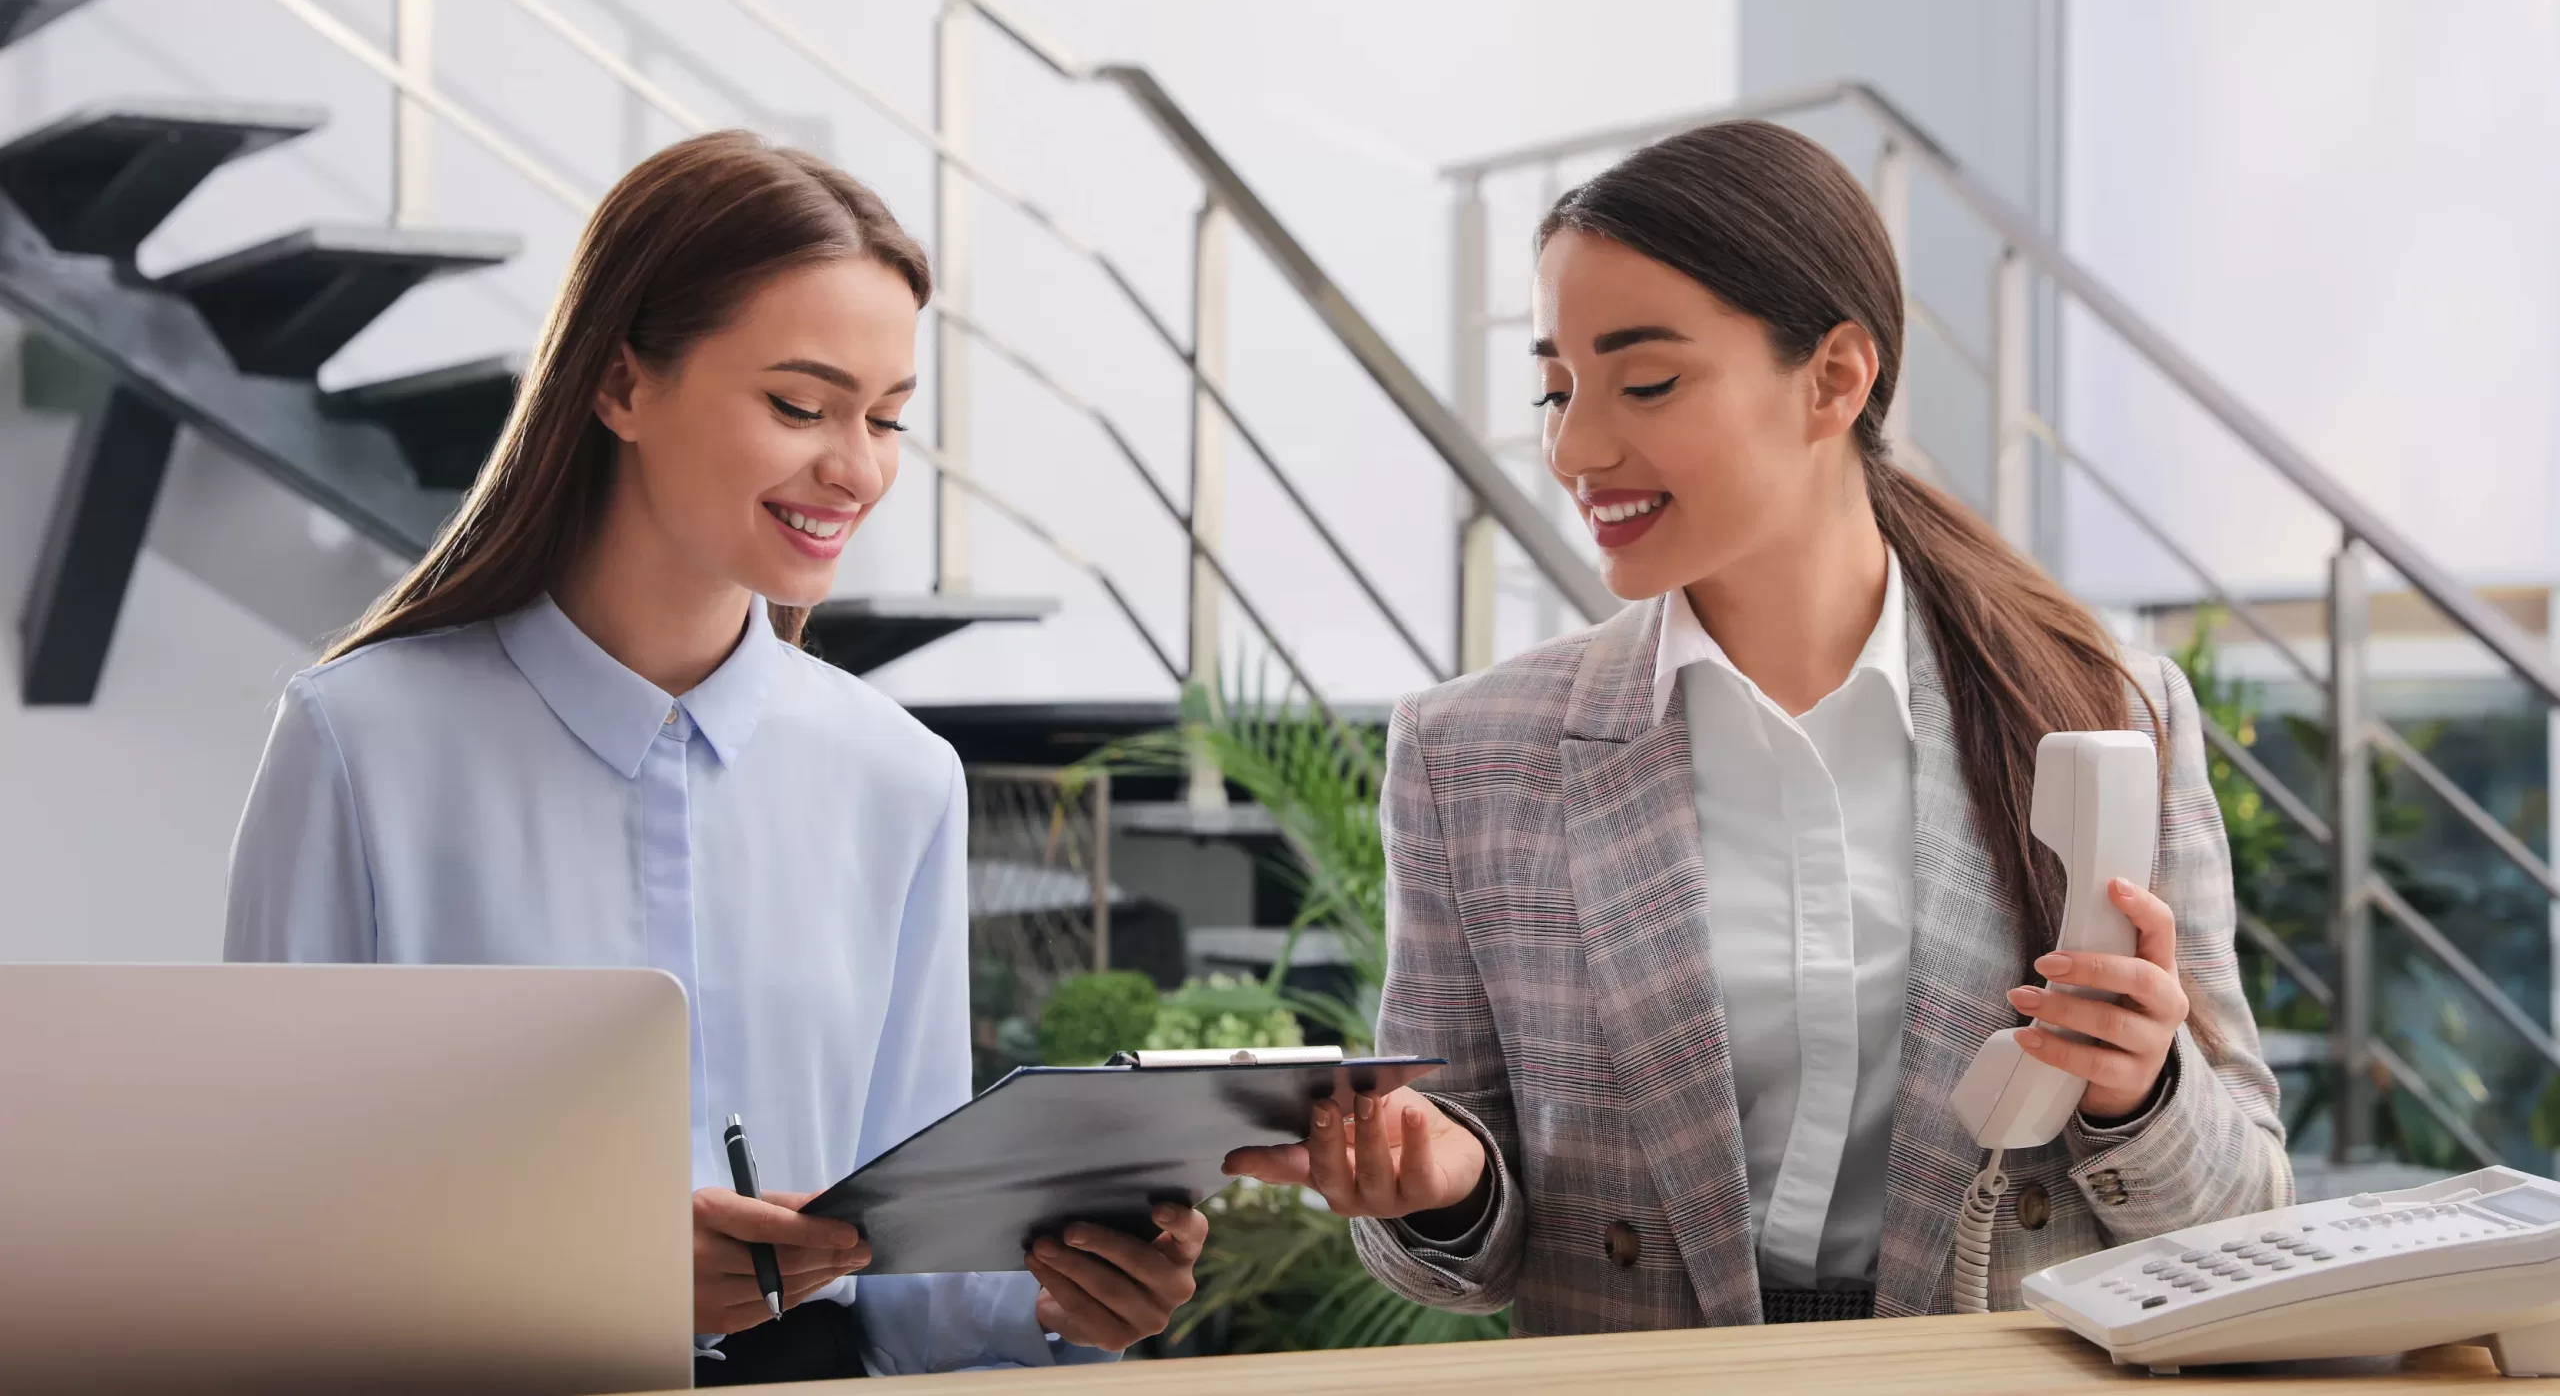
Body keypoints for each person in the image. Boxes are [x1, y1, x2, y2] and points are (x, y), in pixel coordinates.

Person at [1226, 120, 2289, 1330]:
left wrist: (2141, 1092)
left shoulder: (2105, 711)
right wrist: (1439, 1188)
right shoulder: (1470, 756)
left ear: (1836, 377)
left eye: (1644, 383)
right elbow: (1447, 1249)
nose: (1574, 447)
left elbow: (2247, 1205)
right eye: (1555, 389)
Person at [225, 131, 1203, 1380]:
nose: (854, 469)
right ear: (622, 386)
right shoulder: (358, 742)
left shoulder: (898, 776)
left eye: (888, 418)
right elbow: (265, 1219)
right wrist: (593, 1269)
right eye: (799, 405)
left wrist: (1071, 1301)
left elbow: (914, 1294)